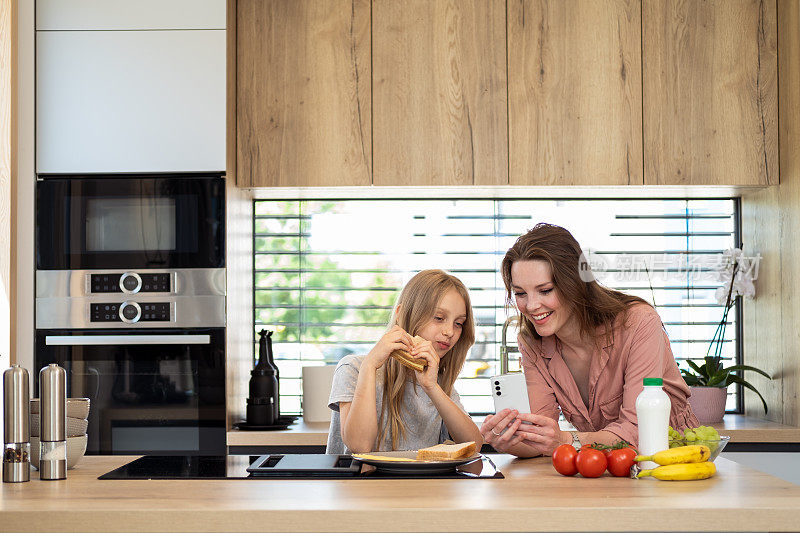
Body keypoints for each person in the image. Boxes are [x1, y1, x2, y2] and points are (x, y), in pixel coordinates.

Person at [481, 223, 699, 457]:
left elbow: (638, 431)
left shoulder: (638, 323)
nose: (531, 306)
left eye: (545, 290)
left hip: (674, 464)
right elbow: (541, 435)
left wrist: (564, 439)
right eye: (521, 294)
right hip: (602, 467)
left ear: (574, 284)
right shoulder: (532, 342)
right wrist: (509, 439)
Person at [326, 269, 483, 454]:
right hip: (362, 483)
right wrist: (369, 366)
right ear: (401, 314)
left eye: (458, 323)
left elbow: (474, 445)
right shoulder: (353, 368)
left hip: (417, 483)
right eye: (439, 318)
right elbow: (360, 446)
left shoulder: (436, 383)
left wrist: (431, 387)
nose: (449, 331)